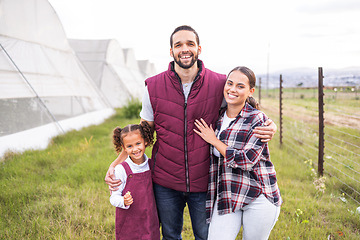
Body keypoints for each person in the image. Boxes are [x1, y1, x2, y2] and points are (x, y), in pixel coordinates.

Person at [105, 25, 277, 240]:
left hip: (205, 180)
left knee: (204, 236)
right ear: (171, 52)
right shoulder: (153, 86)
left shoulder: (218, 83)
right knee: (169, 235)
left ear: (199, 48)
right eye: (178, 45)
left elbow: (246, 107)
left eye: (190, 44)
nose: (184, 49)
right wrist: (115, 164)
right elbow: (143, 134)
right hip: (165, 181)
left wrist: (270, 124)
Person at [193, 66, 282, 240]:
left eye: (240, 86)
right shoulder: (216, 118)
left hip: (258, 196)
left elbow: (246, 160)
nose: (232, 89)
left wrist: (214, 141)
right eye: (230, 83)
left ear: (250, 91)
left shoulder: (257, 119)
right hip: (227, 194)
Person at [109, 122, 160, 240]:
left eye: (138, 143)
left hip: (149, 220)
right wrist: (123, 201)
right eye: (130, 146)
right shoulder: (121, 169)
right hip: (129, 222)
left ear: (145, 142)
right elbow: (113, 197)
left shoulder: (151, 165)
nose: (135, 149)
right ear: (124, 148)